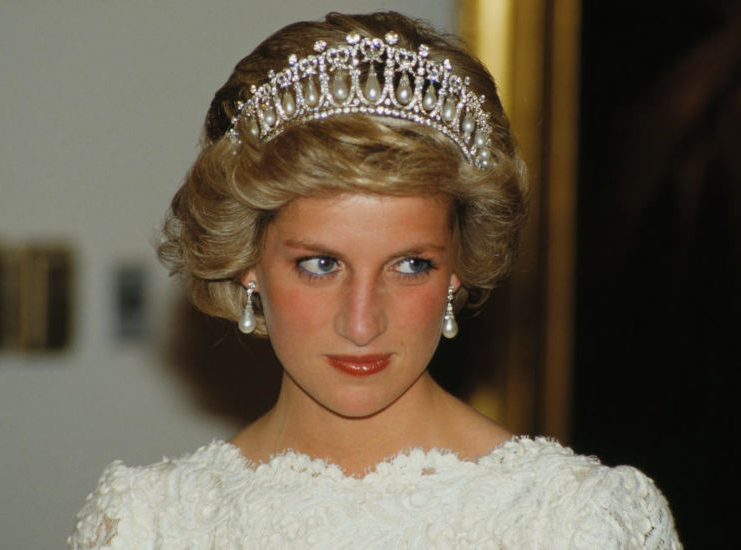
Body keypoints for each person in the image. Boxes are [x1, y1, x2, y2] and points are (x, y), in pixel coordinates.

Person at [69, 11, 681, 549]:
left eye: (411, 265)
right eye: (320, 264)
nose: (362, 323)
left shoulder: (580, 523)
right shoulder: (144, 524)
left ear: (459, 267)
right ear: (247, 260)